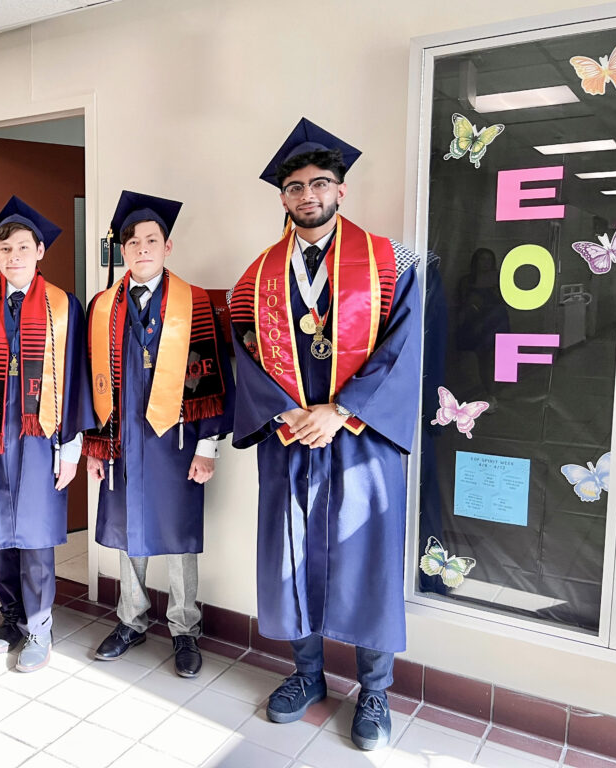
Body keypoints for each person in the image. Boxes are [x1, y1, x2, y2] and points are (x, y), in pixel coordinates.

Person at [230, 119, 422, 750]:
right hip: (290, 438)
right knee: (291, 559)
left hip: (362, 438)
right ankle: (307, 676)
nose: (307, 194)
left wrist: (340, 411)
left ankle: (373, 691)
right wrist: (288, 412)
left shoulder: (391, 263)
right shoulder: (253, 278)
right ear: (281, 198)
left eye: (320, 183)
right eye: (294, 186)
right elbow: (246, 355)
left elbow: (402, 350)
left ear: (341, 190)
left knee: (367, 559)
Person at [84, 191, 234, 678]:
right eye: (132, 242)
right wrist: (95, 445)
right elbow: (89, 383)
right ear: (122, 250)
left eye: (151, 239)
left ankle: (184, 627)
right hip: (124, 440)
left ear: (167, 247)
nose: (141, 248)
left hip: (178, 443)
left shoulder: (197, 304)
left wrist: (208, 446)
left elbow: (212, 377)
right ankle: (130, 619)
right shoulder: (102, 307)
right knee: (131, 531)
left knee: (178, 536)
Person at [0, 196, 93, 673]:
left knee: (33, 537)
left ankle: (39, 626)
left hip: (40, 439)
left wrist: (71, 450)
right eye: (3, 248)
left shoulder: (63, 307)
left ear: (39, 251)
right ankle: (10, 617)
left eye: (21, 248)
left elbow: (74, 381)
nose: (12, 257)